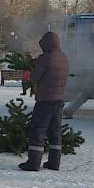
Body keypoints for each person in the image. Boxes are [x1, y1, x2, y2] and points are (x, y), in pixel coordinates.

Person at [19, 31, 69, 171]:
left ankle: (33, 163)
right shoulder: (64, 58)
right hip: (59, 99)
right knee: (55, 130)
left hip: (45, 99)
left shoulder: (46, 58)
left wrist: (29, 74)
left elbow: (35, 78)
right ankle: (54, 162)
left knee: (38, 129)